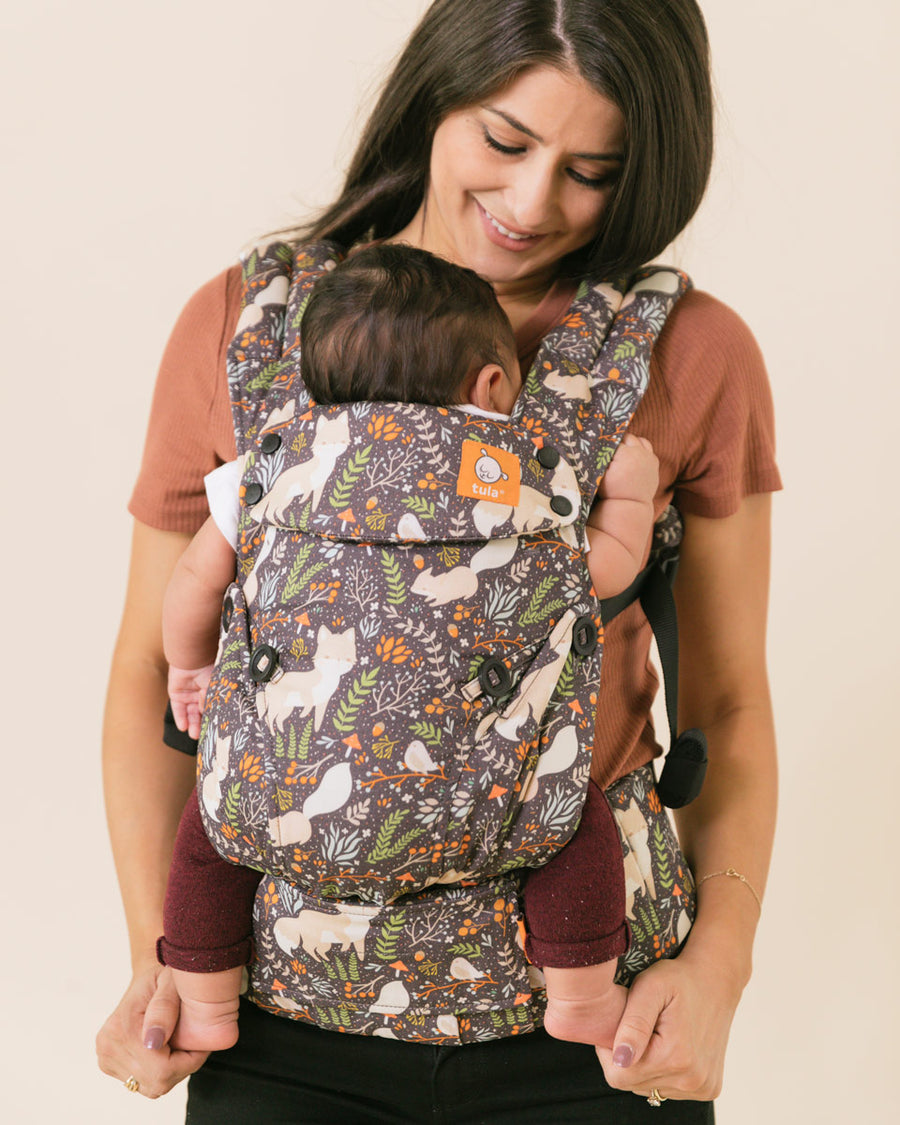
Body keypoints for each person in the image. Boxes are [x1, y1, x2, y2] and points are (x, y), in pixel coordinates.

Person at [97, 1, 779, 1119]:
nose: (531, 203)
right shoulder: (244, 323)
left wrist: (718, 977)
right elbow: (146, 683)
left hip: (593, 1027)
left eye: (590, 171)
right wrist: (162, 956)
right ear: (435, 96)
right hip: (281, 1024)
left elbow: (733, 706)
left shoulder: (690, 354)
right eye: (505, 142)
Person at [160, 242, 656, 1055]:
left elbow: (193, 583)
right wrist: (630, 495)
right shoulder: (512, 473)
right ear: (492, 386)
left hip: (286, 785)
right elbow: (600, 571)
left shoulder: (269, 466)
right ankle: (581, 994)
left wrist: (190, 667)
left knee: (212, 835)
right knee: (574, 826)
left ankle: (209, 999)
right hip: (484, 798)